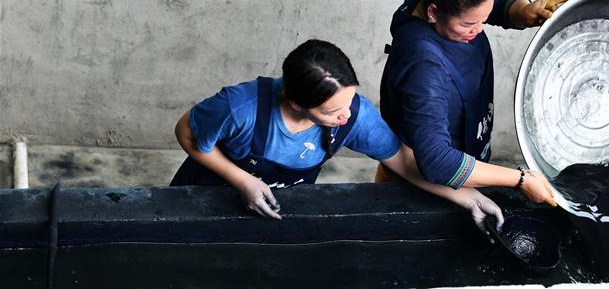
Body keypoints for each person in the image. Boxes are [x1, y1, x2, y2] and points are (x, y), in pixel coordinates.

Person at [171, 39, 504, 233]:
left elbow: (403, 161)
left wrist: (467, 196)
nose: (345, 117)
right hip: (202, 199)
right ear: (296, 103)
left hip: (270, 210)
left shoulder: (354, 114)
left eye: (349, 100)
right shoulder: (240, 107)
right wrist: (242, 180)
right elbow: (186, 133)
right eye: (332, 112)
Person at [379, 0, 569, 204]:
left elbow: (492, 0)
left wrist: (522, 11)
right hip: (423, 185)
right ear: (433, 12)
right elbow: (437, 161)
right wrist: (520, 179)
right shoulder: (423, 66)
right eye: (468, 25)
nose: (479, 29)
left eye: (484, 19)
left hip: (468, 154)